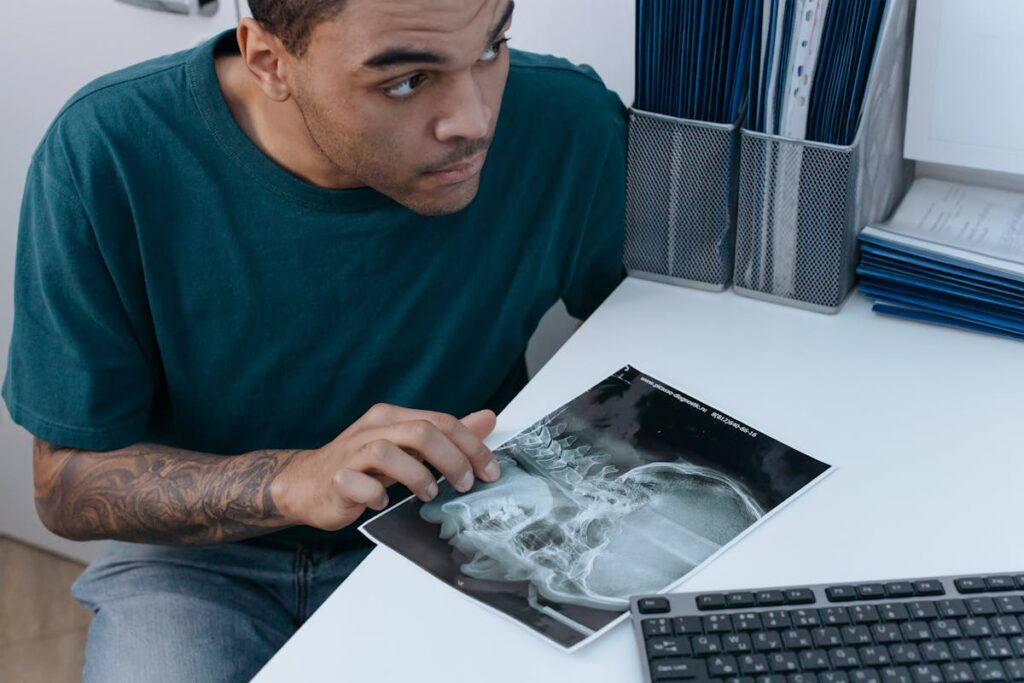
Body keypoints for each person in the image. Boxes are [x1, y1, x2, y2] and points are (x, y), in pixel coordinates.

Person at [2, 0, 625, 679]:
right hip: (195, 558)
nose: (473, 122)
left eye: (490, 48)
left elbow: (655, 341)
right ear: (269, 61)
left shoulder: (570, 122)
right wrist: (295, 482)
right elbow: (65, 484)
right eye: (407, 81)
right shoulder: (107, 149)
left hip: (457, 528)